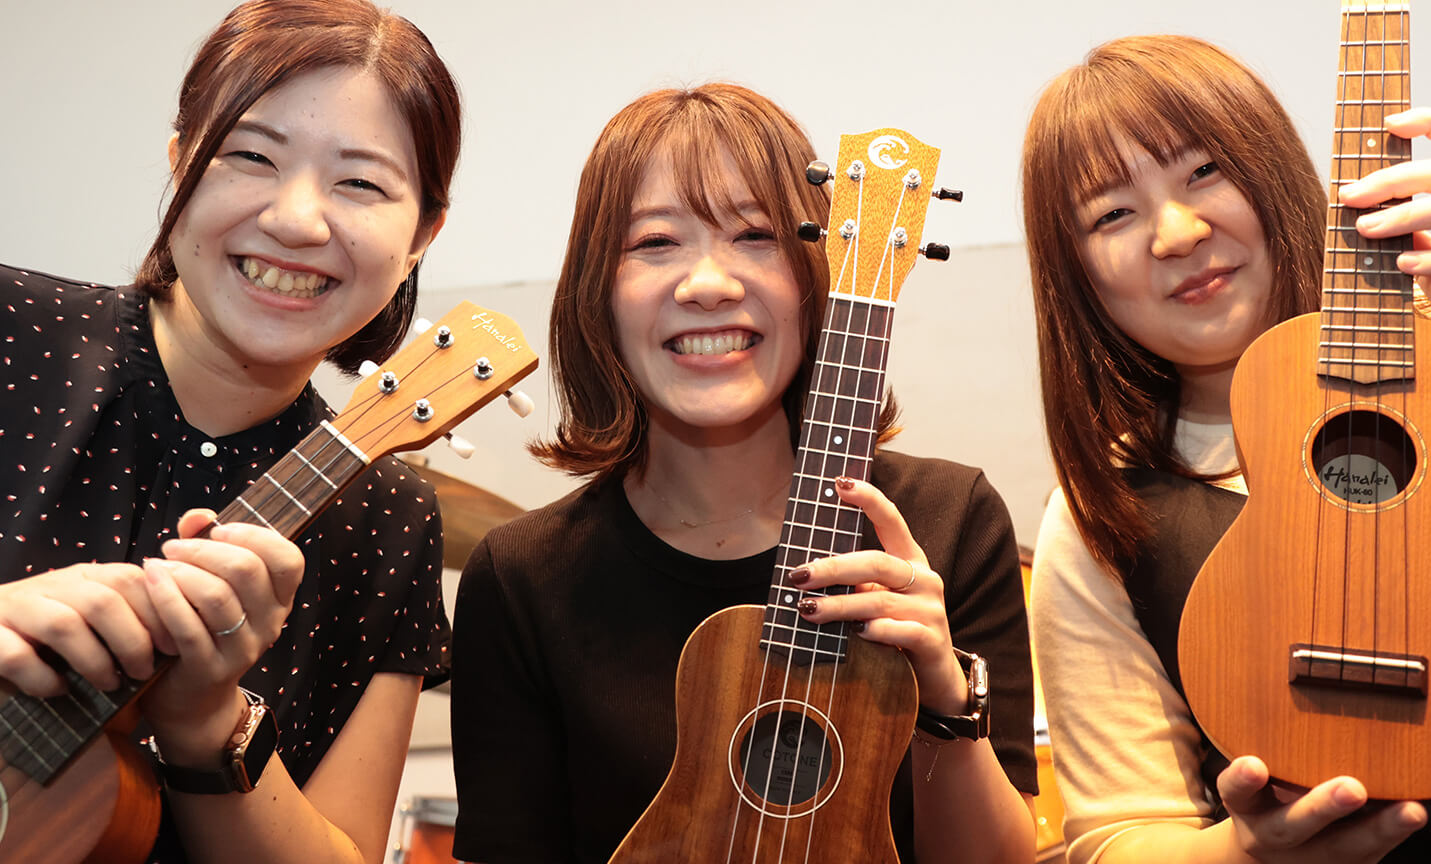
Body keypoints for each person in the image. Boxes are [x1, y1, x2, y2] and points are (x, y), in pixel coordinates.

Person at [450, 82, 1038, 864]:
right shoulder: (523, 577)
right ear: (599, 291)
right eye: (656, 242)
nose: (709, 284)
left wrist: (943, 693)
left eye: (755, 235)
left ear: (816, 271)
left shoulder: (949, 521)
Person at [1022, 34, 1431, 864]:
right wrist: (1243, 854)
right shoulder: (1103, 515)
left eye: (1204, 171)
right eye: (1111, 213)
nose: (1177, 232)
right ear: (1075, 274)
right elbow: (1117, 836)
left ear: (1274, 171)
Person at [0, 1, 461, 862]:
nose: (296, 220)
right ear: (182, 163)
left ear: (421, 237)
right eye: (251, 156)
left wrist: (209, 721)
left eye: (360, 184)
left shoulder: (389, 517)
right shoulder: (13, 333)